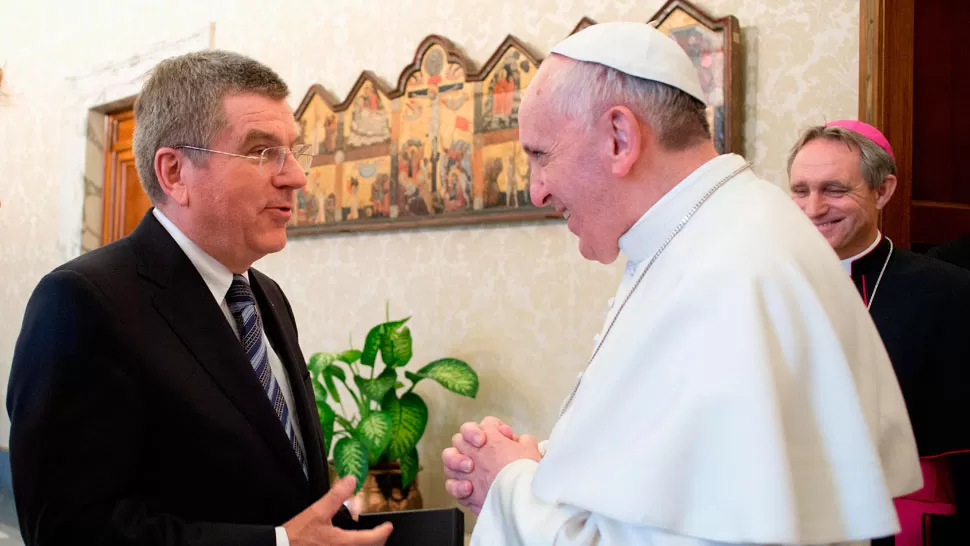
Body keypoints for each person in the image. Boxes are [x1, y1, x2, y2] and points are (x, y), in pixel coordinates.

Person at [441, 21, 922, 545]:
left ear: (620, 138)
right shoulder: (710, 236)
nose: (536, 191)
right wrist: (546, 469)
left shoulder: (732, 274)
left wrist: (512, 487)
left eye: (540, 155)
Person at [6, 50, 391, 546]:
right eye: (261, 152)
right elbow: (71, 530)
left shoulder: (264, 296)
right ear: (174, 174)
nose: (295, 176)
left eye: (294, 151)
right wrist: (278, 544)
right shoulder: (82, 302)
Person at [788, 120, 970, 544]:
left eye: (834, 189)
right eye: (800, 190)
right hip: (789, 514)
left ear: (882, 191)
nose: (813, 208)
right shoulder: (763, 284)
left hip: (903, 517)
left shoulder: (948, 292)